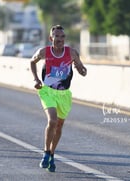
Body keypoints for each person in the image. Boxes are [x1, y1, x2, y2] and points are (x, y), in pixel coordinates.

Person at [30, 25, 87, 172]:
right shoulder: (44, 52)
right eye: (56, 36)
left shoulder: (72, 53)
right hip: (48, 92)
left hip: (64, 94)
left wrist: (81, 70)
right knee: (52, 120)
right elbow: (32, 62)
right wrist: (36, 79)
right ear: (51, 38)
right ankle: (46, 152)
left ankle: (52, 154)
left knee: (59, 126)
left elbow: (83, 70)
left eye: (62, 36)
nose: (60, 39)